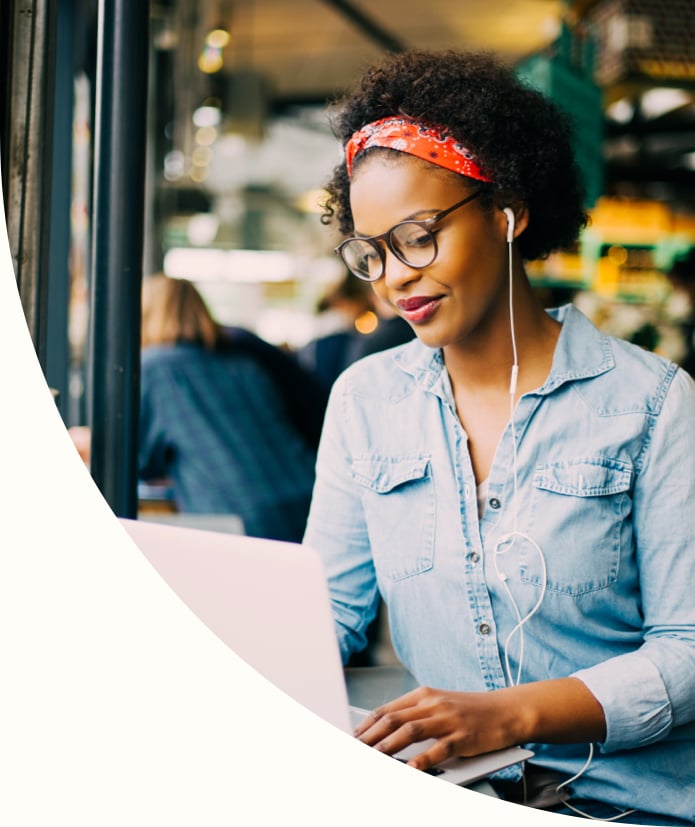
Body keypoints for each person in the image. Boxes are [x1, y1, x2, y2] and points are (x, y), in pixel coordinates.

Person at [303, 49, 695, 824]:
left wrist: (509, 716)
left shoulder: (651, 402)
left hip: (625, 808)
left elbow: (687, 648)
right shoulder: (365, 401)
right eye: (371, 253)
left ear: (505, 212)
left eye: (417, 236)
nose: (394, 277)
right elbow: (325, 612)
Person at [137, 274, 320, 542]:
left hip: (238, 518)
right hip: (305, 498)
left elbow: (141, 462)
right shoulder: (243, 363)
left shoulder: (155, 367)